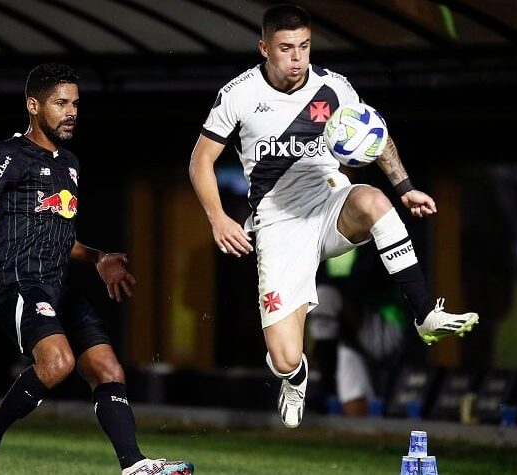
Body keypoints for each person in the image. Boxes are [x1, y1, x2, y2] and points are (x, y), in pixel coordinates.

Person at [189, 4, 478, 429]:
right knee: (285, 355)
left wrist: (406, 188)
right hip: (277, 225)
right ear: (264, 48)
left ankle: (424, 315)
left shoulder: (334, 87)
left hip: (328, 205)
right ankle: (295, 376)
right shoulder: (238, 95)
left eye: (304, 46)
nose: (297, 58)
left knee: (375, 202)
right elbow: (200, 161)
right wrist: (217, 218)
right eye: (286, 48)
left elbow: (376, 135)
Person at [0, 64, 194, 475]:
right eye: (61, 103)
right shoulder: (7, 155)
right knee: (58, 364)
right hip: (17, 283)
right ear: (33, 105)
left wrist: (97, 257)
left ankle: (134, 464)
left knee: (108, 368)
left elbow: (56, 236)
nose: (71, 111)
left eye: (75, 103)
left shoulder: (70, 163)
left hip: (57, 285)